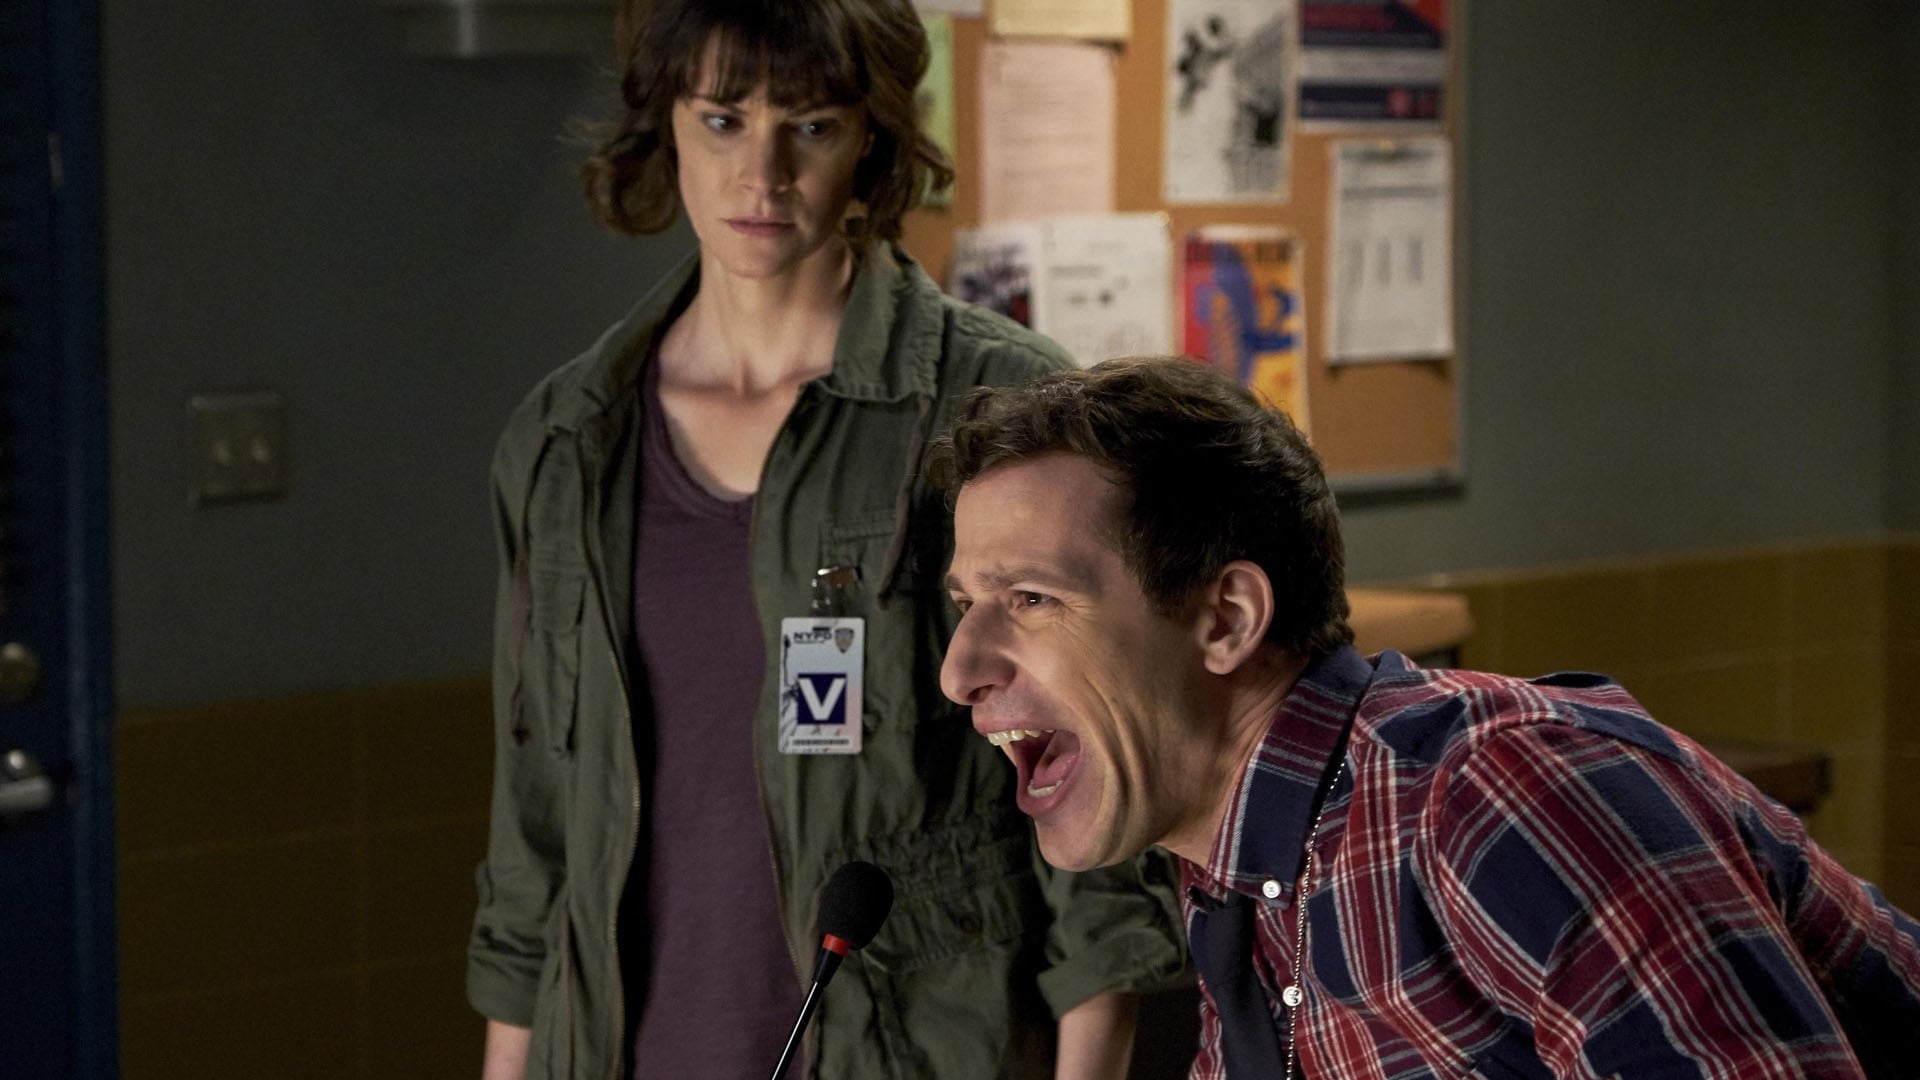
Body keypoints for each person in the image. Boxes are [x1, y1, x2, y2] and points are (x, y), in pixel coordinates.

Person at [465, 3, 1186, 1079]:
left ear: (870, 139)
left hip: (910, 1049)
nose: (761, 176)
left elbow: (1097, 841)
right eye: (722, 120)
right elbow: (533, 842)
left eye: (809, 126)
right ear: (667, 124)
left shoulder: (997, 405)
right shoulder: (569, 439)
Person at [929, 356, 1920, 1079]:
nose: (958, 671)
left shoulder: (1497, 792)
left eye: (1031, 599)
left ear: (1225, 619)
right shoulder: (1236, 872)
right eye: (966, 603)